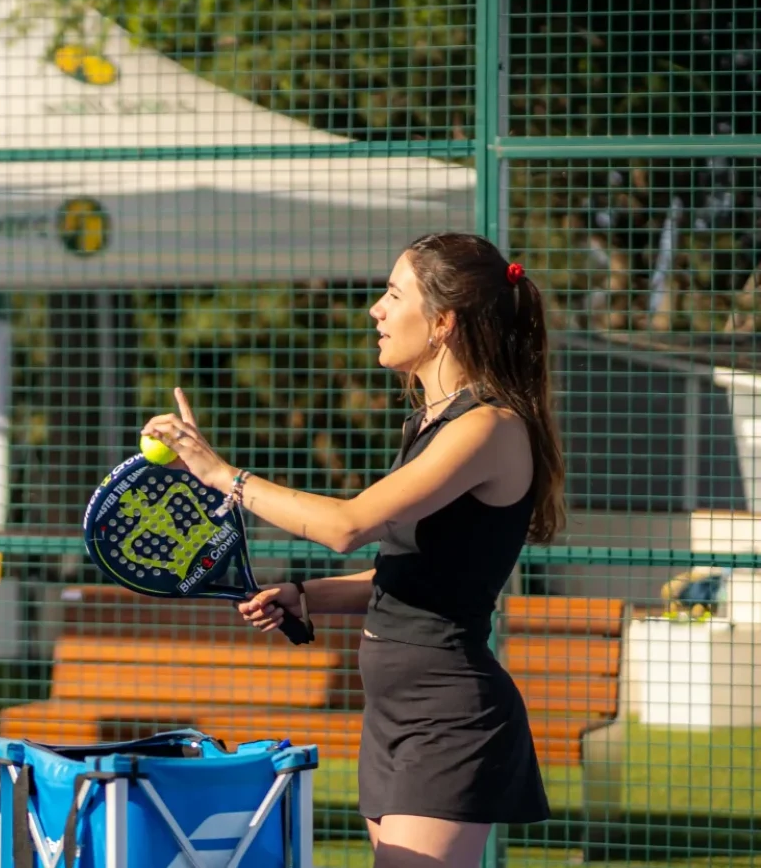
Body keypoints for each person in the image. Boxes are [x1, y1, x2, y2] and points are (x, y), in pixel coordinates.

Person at [139, 231, 560, 867]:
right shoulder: (430, 421)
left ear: (443, 322)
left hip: (447, 716)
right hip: (392, 713)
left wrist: (223, 475)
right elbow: (414, 575)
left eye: (395, 294)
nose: (376, 310)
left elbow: (346, 526)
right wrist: (305, 597)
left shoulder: (487, 428)